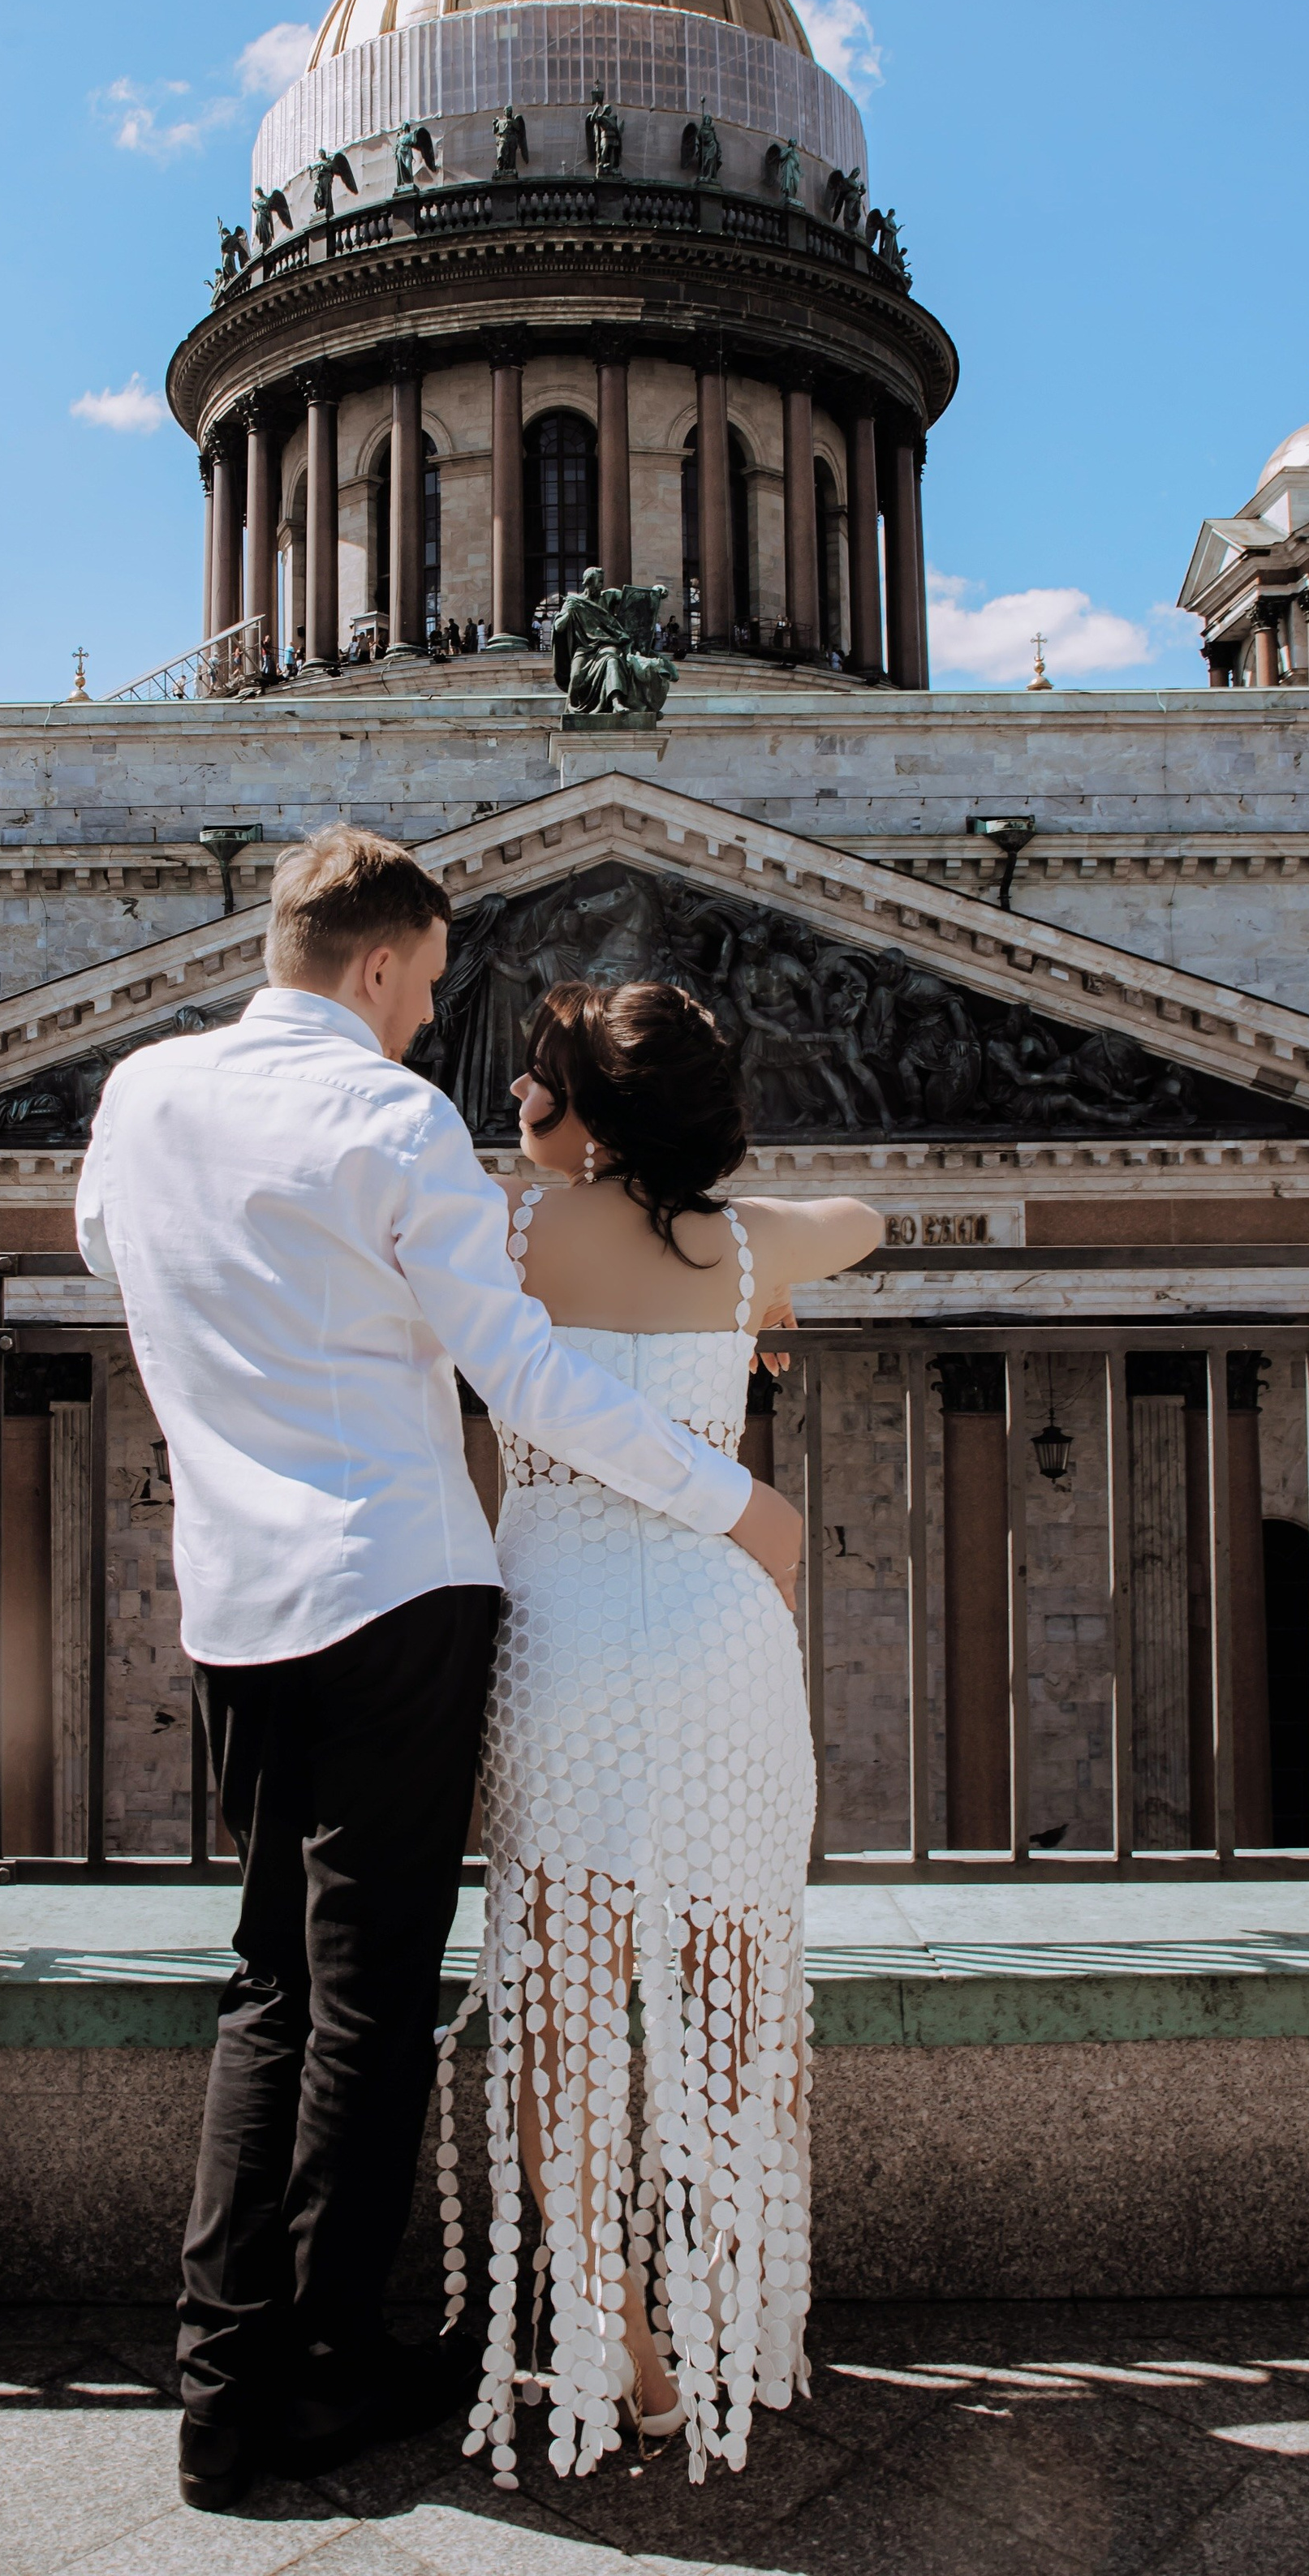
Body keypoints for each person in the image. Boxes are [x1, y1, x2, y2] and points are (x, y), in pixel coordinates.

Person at [73, 830, 803, 2513]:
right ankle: (326, 2360)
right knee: (371, 2000)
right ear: (388, 962)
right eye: (427, 991)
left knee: (268, 1982)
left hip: (234, 1601)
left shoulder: (144, 1095)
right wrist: (732, 1499)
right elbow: (523, 1377)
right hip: (394, 1593)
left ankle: (220, 2383)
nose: (429, 1030)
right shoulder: (392, 1119)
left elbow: (114, 1255)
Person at [446, 983, 877, 2485]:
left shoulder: (510, 1234)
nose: (519, 1104)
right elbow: (867, 1217)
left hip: (560, 1638)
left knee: (561, 2003)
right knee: (736, 1989)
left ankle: (617, 2341)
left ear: (592, 1114)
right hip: (720, 1636)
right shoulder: (747, 1244)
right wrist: (750, 1282)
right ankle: (732, 2314)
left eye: (540, 1084)